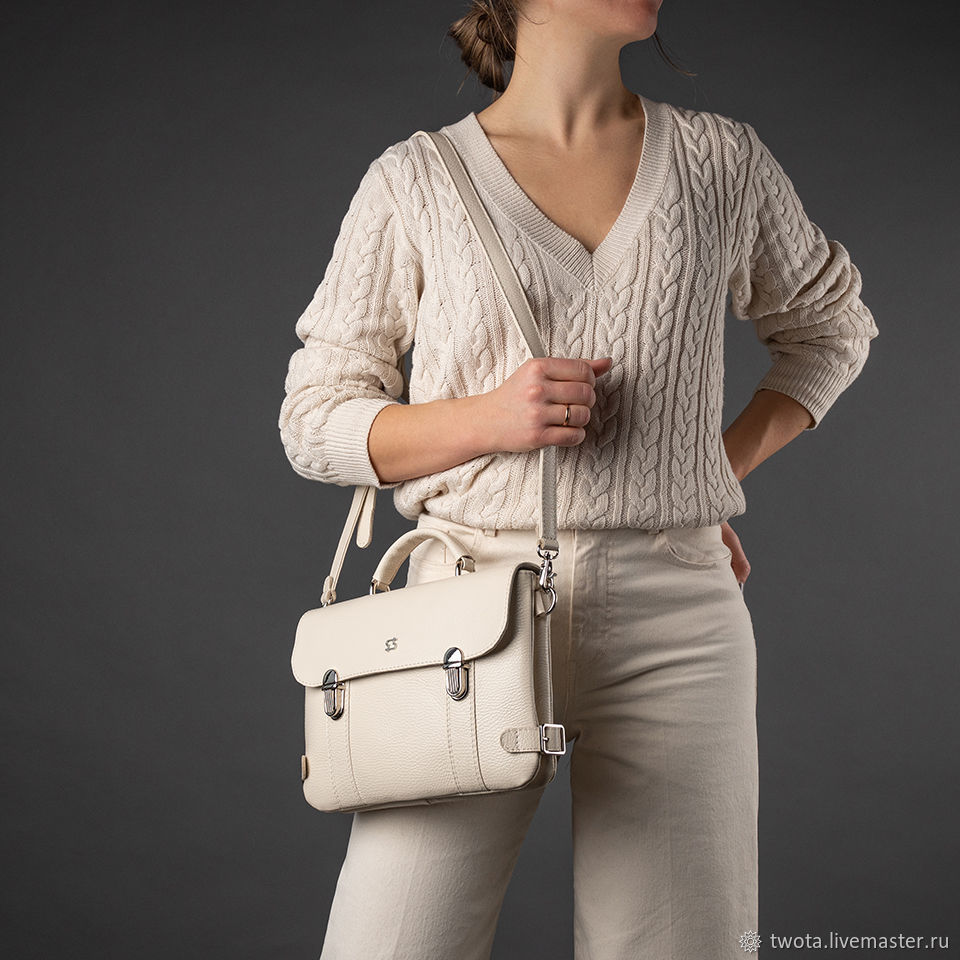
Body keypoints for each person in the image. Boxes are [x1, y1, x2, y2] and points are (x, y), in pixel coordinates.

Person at [277, 1, 879, 957]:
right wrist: (491, 419)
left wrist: (701, 468)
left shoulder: (720, 161)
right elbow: (313, 421)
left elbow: (832, 330)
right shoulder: (416, 180)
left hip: (680, 616)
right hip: (464, 615)